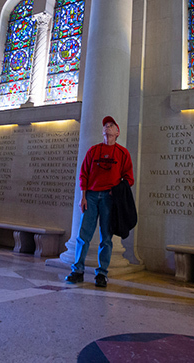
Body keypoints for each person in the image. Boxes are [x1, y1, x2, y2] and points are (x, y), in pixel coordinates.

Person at [65, 115, 134, 287]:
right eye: (105, 126)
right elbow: (84, 174)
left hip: (109, 199)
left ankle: (102, 273)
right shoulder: (93, 151)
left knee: (106, 238)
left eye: (111, 126)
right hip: (92, 197)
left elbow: (129, 178)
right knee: (83, 235)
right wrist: (83, 197)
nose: (107, 128)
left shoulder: (122, 153)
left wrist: (116, 192)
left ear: (117, 132)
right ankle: (77, 270)